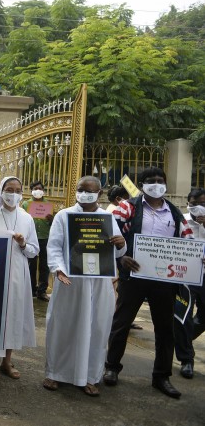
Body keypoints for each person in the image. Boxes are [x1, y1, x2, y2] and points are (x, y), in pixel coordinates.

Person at [104, 167, 193, 399]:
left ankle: (161, 376)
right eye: (150, 181)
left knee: (165, 328)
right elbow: (110, 234)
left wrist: (196, 258)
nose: (156, 184)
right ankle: (112, 368)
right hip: (133, 276)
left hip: (164, 280)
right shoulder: (128, 207)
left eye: (160, 180)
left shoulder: (175, 214)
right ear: (141, 184)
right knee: (121, 322)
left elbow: (189, 243)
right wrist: (121, 257)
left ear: (165, 184)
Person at [44, 176, 127, 397]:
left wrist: (122, 244)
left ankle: (90, 377)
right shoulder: (64, 216)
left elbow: (117, 253)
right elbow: (54, 247)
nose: (84, 194)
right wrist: (58, 270)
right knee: (63, 326)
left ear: (99, 193)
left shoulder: (107, 218)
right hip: (71, 282)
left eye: (89, 190)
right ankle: (55, 373)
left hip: (99, 284)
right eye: (81, 190)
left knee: (97, 329)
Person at [0, 176, 38, 379]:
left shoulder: (27, 218)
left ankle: (7, 361)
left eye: (17, 190)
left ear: (22, 194)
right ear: (1, 191)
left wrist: (22, 243)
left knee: (13, 316)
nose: (12, 194)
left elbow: (33, 251)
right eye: (8, 189)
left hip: (18, 273)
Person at [173, 188, 205, 379]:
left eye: (203, 203)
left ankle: (183, 339)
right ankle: (187, 359)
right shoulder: (181, 220)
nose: (198, 207)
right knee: (184, 315)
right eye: (194, 202)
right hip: (185, 277)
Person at [21, 180, 54, 301]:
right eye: (35, 188)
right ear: (31, 190)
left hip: (45, 237)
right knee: (31, 265)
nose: (38, 190)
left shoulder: (48, 204)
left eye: (40, 188)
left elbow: (53, 224)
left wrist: (51, 219)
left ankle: (42, 290)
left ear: (43, 190)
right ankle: (31, 289)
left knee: (44, 265)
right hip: (31, 238)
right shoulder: (26, 204)